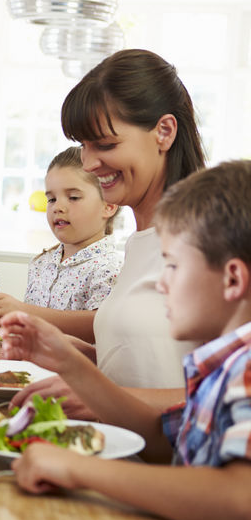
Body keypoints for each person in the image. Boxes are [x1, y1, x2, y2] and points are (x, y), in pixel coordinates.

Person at [0, 160, 251, 520]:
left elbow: (239, 500)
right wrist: (70, 362)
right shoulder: (219, 367)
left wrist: (80, 470)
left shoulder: (244, 371)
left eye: (173, 266)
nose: (160, 284)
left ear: (232, 280)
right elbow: (158, 438)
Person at [11, 49, 206, 418]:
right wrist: (73, 357)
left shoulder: (209, 243)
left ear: (164, 131)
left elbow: (227, 394)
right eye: (84, 145)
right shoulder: (139, 243)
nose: (88, 162)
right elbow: (151, 360)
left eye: (105, 144)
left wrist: (96, 396)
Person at [0, 146, 121, 344]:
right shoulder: (41, 263)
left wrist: (24, 312)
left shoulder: (110, 268)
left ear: (108, 205)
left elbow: (101, 325)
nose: (58, 207)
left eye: (73, 197)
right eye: (51, 199)